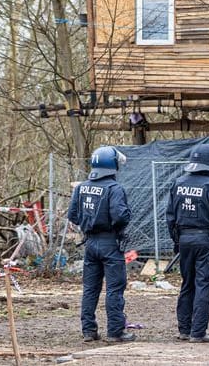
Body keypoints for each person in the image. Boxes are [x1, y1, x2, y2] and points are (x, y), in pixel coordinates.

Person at [165, 143, 209, 343]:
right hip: (205, 240)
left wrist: (176, 242)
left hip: (184, 239)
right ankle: (198, 332)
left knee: (187, 284)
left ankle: (184, 330)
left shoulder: (178, 183)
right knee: (203, 285)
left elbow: (170, 216)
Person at [69, 146, 135, 343]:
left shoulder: (81, 187)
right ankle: (115, 331)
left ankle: (89, 331)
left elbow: (73, 215)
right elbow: (121, 216)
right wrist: (115, 228)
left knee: (90, 289)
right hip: (110, 243)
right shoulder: (114, 189)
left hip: (90, 244)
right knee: (115, 288)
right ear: (112, 165)